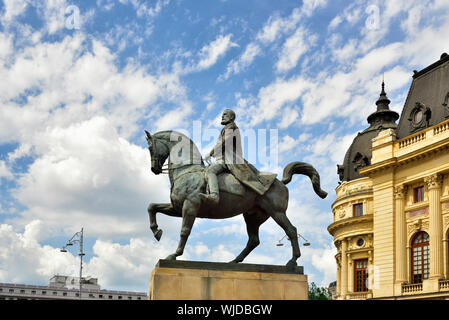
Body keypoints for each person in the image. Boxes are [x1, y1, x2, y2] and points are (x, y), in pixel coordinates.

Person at [199, 109, 269, 205]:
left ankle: (214, 196)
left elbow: (224, 142)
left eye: (225, 114)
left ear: (231, 117)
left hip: (230, 160)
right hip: (224, 159)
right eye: (222, 115)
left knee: (210, 171)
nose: (222, 116)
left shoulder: (231, 127)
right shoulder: (227, 128)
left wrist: (211, 153)